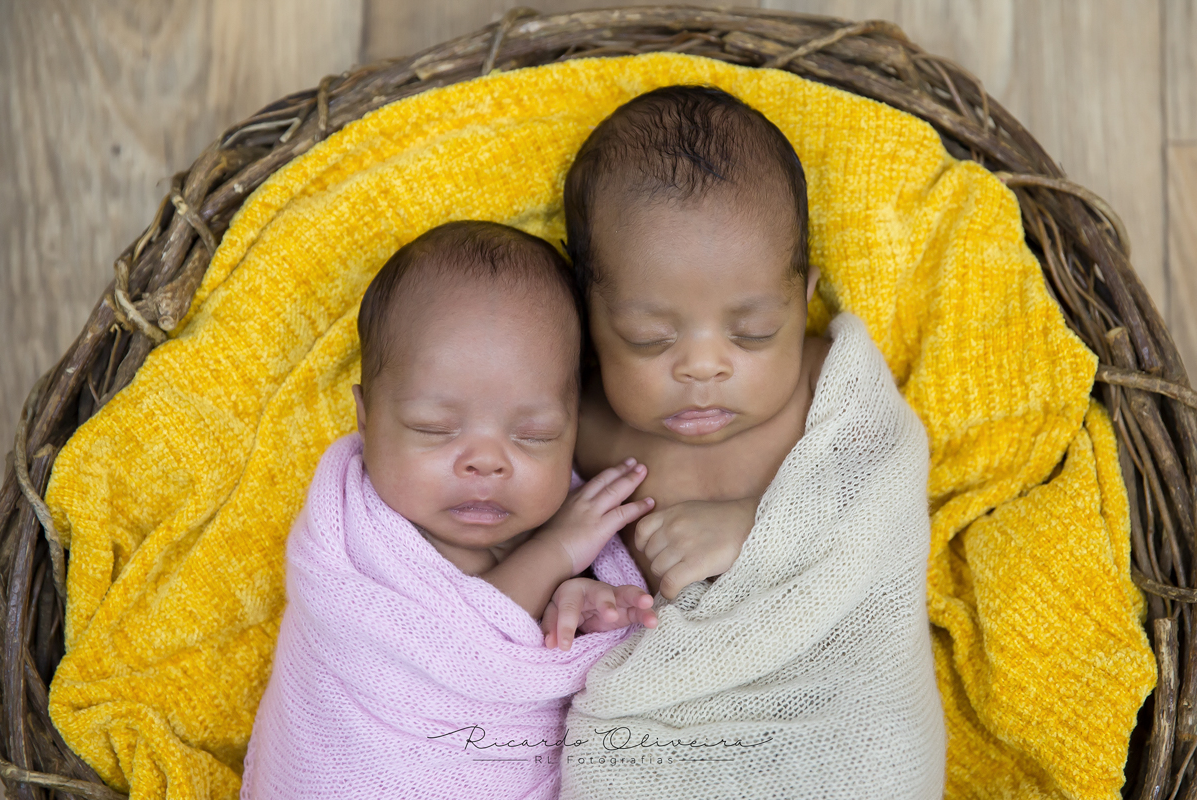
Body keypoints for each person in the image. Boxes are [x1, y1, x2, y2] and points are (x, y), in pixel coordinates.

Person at [559, 86, 946, 799]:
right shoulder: (580, 425)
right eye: (650, 338)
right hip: (672, 731)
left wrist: (760, 529)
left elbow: (887, 487)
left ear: (803, 302)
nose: (703, 366)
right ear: (588, 318)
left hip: (838, 720)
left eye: (754, 332)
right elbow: (535, 538)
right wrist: (581, 594)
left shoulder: (826, 384)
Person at [241, 221, 658, 800]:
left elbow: (518, 662)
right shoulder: (358, 541)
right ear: (365, 418)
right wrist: (556, 551)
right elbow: (461, 651)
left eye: (534, 435)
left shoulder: (565, 520)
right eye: (433, 429)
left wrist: (577, 608)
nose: (486, 462)